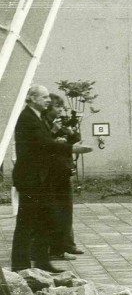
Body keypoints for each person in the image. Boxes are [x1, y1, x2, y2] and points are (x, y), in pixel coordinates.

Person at [10, 86, 80, 273]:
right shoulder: (27, 118)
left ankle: (41, 261)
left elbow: (44, 143)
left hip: (40, 178)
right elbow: (43, 144)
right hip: (30, 178)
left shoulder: (37, 117)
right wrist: (71, 149)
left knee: (45, 219)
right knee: (27, 222)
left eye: (49, 96)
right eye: (44, 97)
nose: (48, 100)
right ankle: (20, 265)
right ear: (32, 98)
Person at [44, 94, 84, 260]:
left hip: (63, 170)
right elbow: (43, 143)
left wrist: (68, 130)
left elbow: (75, 139)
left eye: (61, 107)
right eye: (57, 107)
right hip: (52, 173)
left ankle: (67, 244)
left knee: (66, 209)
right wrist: (54, 132)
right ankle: (57, 248)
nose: (60, 110)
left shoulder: (57, 123)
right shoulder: (44, 124)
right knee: (57, 210)